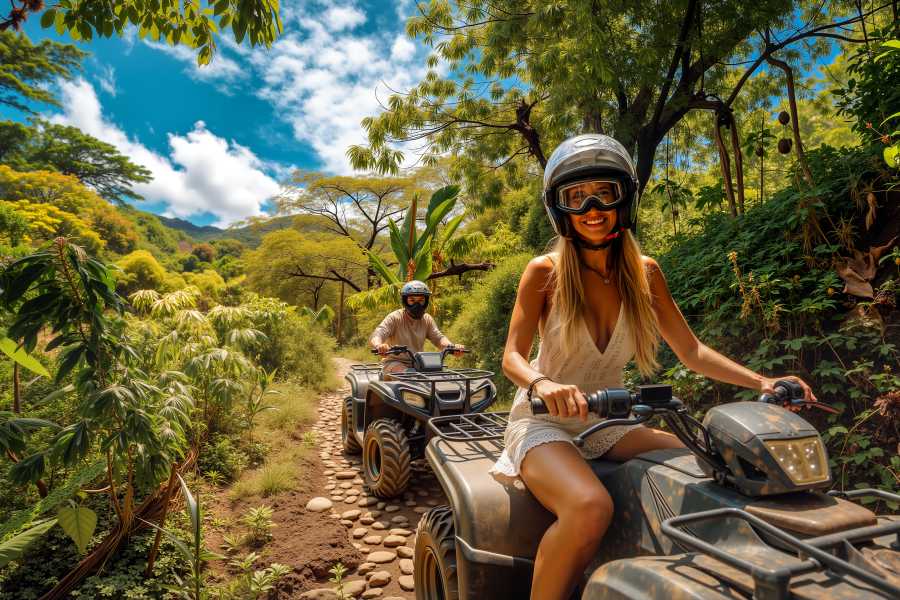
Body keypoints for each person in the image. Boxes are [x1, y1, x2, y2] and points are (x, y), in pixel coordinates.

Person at [491, 134, 817, 600]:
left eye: (605, 191)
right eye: (576, 197)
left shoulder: (645, 273)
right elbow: (512, 357)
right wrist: (544, 383)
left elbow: (692, 351)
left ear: (626, 197)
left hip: (611, 418)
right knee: (588, 507)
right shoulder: (543, 271)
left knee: (705, 465)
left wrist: (762, 379)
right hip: (544, 421)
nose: (592, 207)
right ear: (559, 209)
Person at [370, 280, 464, 376]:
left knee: (439, 376)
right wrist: (379, 346)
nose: (417, 305)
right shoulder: (395, 317)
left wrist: (452, 347)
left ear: (426, 301)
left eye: (420, 300)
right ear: (405, 301)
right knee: (410, 375)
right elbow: (379, 333)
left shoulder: (426, 319)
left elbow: (438, 338)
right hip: (394, 363)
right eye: (412, 300)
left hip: (419, 364)